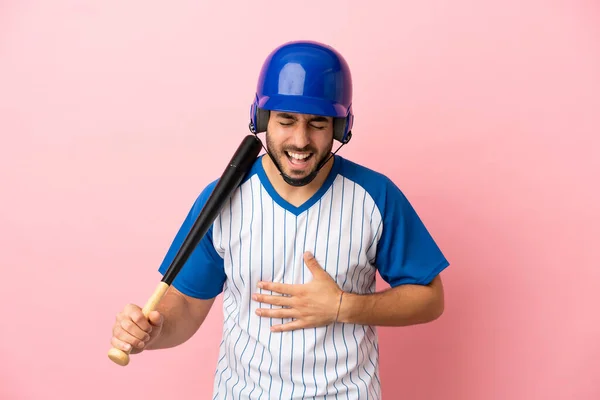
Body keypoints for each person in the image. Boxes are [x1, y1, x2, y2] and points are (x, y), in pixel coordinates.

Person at [110, 40, 450, 399]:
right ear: (262, 120)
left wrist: (343, 306)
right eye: (286, 121)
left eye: (317, 123)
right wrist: (154, 330)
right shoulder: (222, 198)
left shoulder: (375, 195)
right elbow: (187, 305)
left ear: (338, 127)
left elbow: (430, 298)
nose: (300, 140)